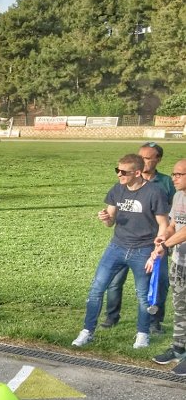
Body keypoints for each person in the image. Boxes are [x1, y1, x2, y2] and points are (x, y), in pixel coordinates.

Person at [72, 154, 169, 350]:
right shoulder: (118, 190)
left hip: (143, 250)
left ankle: (142, 334)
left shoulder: (154, 192)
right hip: (116, 247)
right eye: (117, 170)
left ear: (137, 172)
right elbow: (110, 221)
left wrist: (157, 250)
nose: (119, 175)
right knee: (96, 289)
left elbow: (163, 224)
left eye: (124, 172)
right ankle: (87, 331)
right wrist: (105, 217)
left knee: (143, 295)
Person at [101, 142, 175, 333]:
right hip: (124, 243)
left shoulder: (166, 183)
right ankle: (112, 316)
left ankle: (154, 321)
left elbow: (174, 213)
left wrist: (165, 240)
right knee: (115, 280)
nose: (143, 161)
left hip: (155, 243)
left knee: (158, 282)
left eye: (148, 158)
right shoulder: (125, 183)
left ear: (158, 160)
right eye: (140, 157)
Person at [149, 159, 186, 375]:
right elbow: (174, 224)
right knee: (180, 307)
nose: (174, 178)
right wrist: (163, 235)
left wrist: (165, 244)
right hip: (179, 262)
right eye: (173, 174)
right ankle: (179, 348)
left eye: (179, 174)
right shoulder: (179, 196)